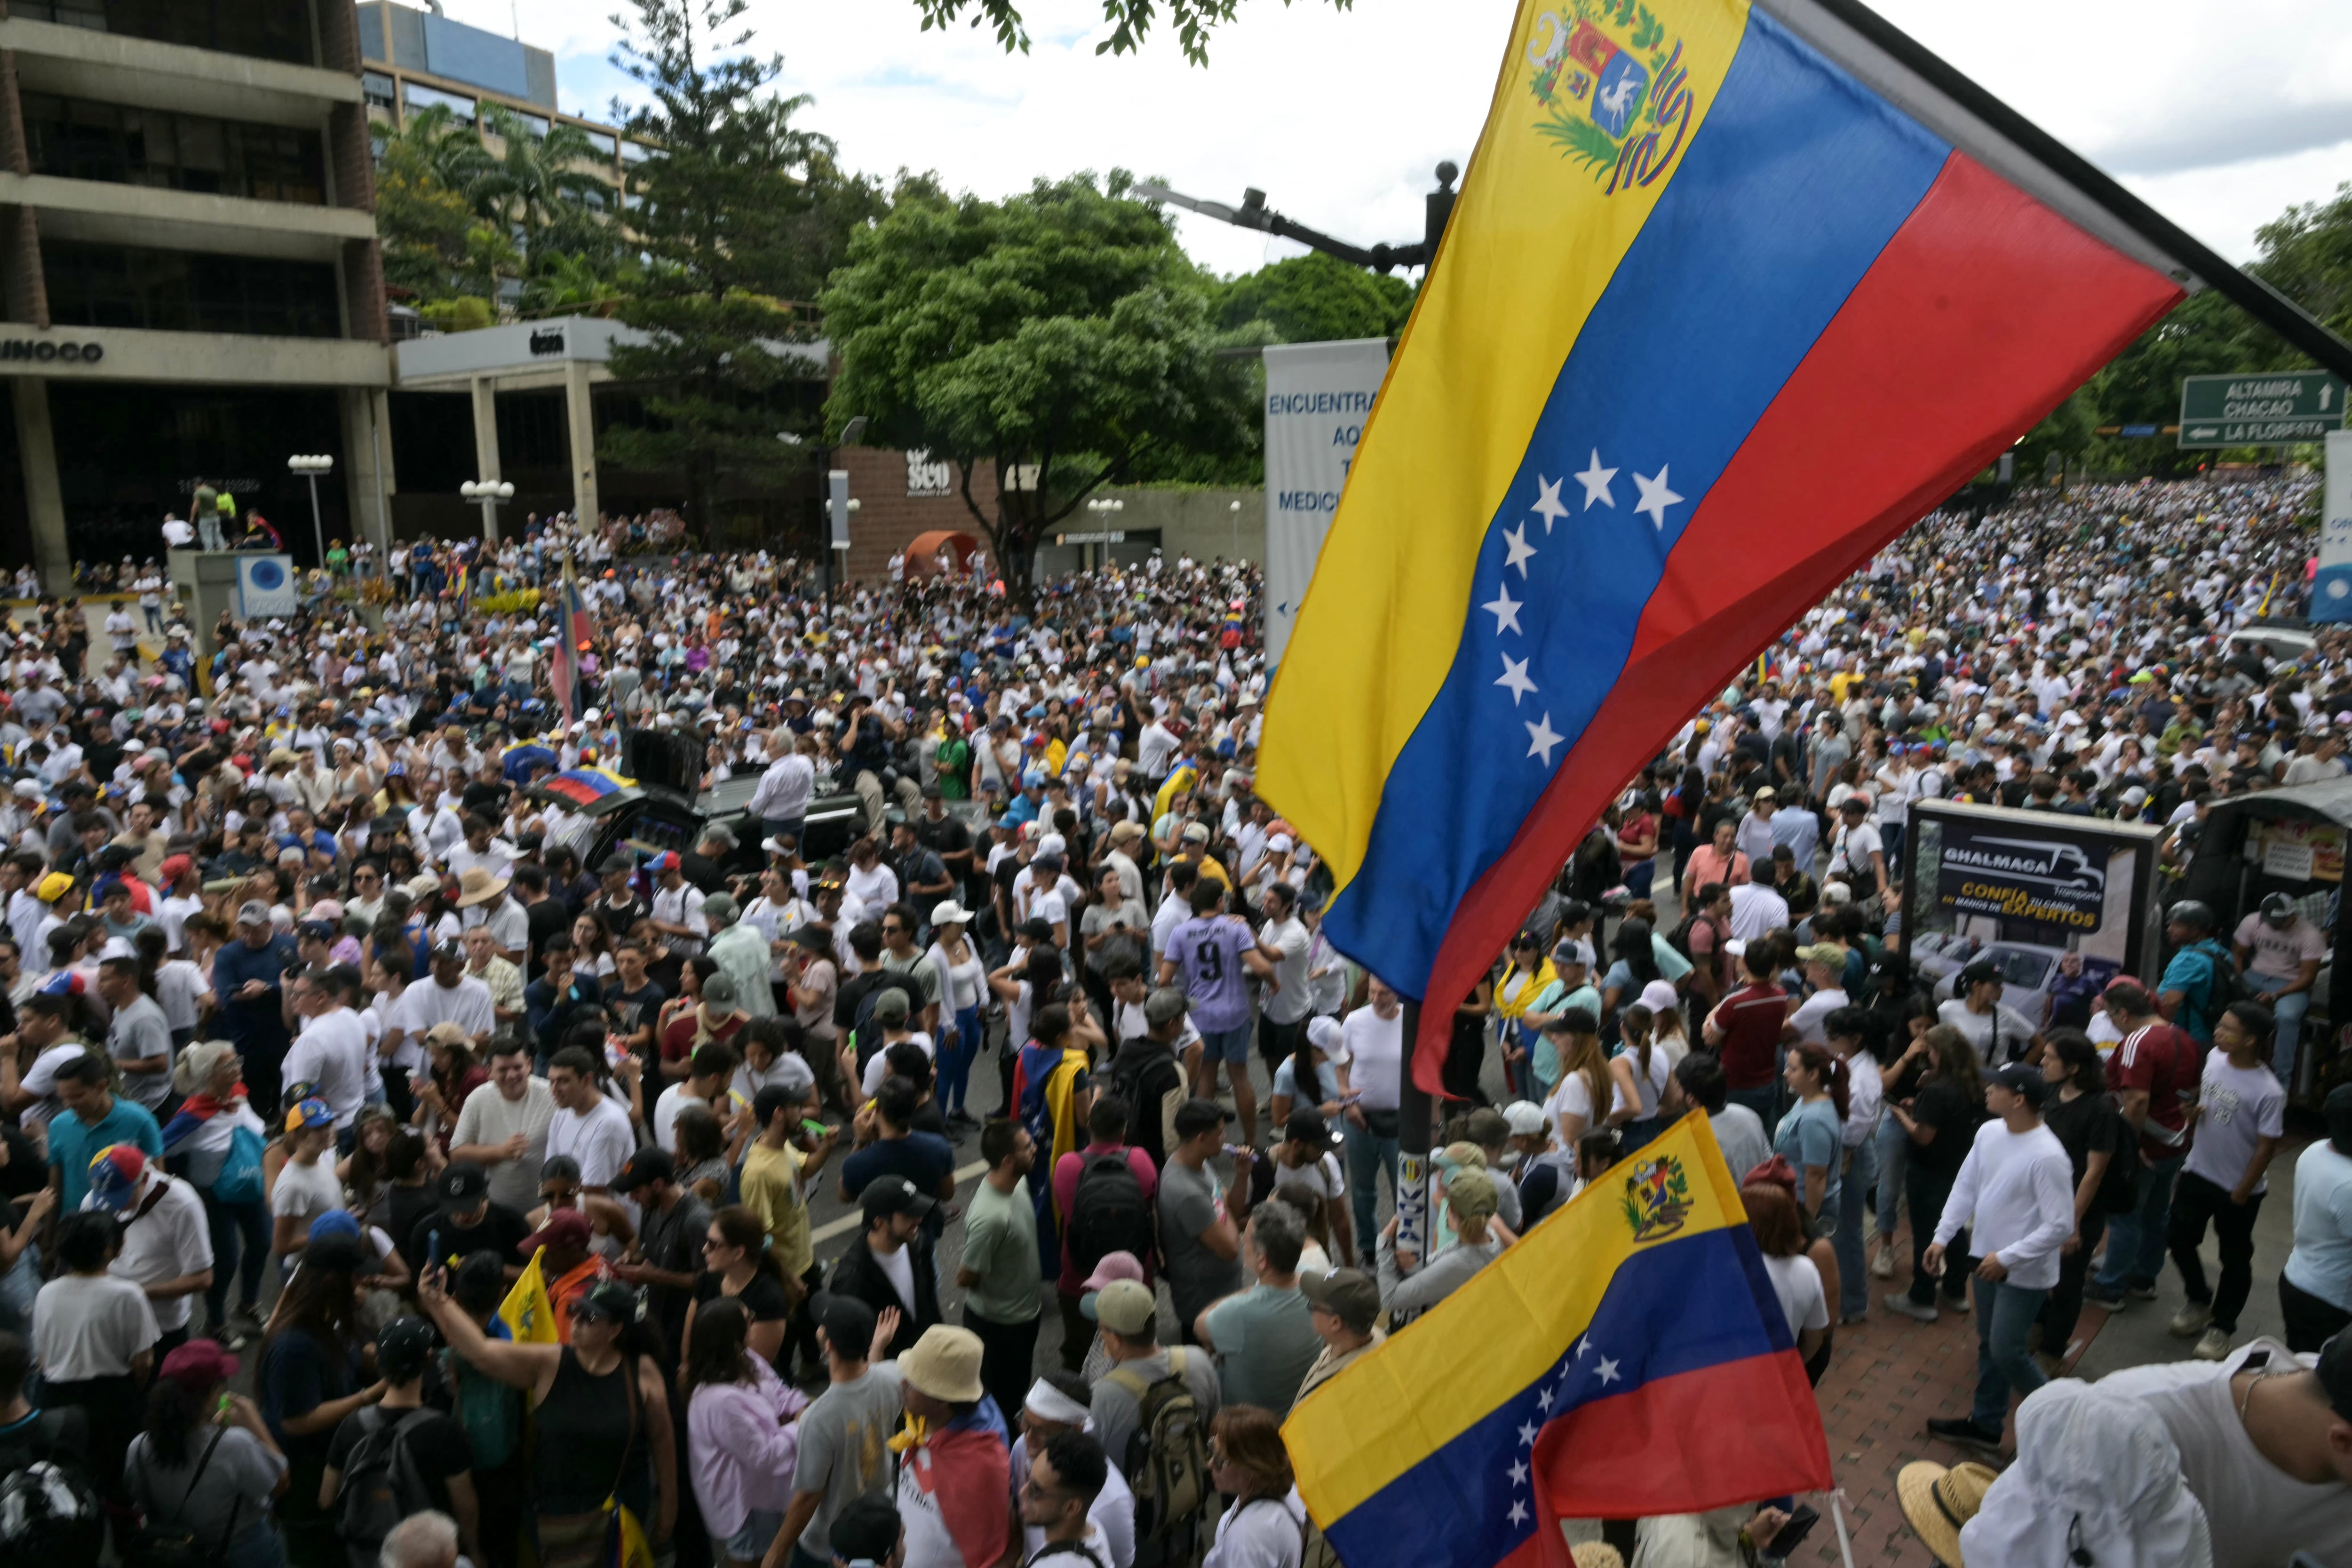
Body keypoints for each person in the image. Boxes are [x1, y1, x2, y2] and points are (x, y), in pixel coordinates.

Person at [416, 1271, 677, 1568]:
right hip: (551, 1511)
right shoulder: (550, 1363)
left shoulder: (641, 1371)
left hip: (619, 1508)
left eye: (590, 1318)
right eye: (575, 1311)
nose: (576, 1322)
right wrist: (438, 1302)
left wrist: (669, 1506)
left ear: (616, 1329)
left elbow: (662, 1439)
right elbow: (483, 1353)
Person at [1921, 1062, 2075, 1454]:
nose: (1987, 1089)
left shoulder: (2049, 1156)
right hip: (1984, 1263)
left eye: (1996, 1085)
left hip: (2021, 1273)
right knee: (1990, 1344)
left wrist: (2007, 1257)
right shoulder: (1989, 1131)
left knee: (2008, 1350)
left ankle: (2067, 1421)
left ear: (2019, 1099)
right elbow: (1966, 1185)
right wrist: (1942, 1237)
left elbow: (2060, 1225)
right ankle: (1986, 1425)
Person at [2168, 1001, 2286, 1362]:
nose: (2218, 1033)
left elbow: (2267, 1147)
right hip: (2197, 1170)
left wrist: (2241, 1192)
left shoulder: (2269, 1091)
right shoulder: (2215, 1060)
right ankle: (2199, 1298)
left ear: (2251, 1040)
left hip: (2238, 1189)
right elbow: (2208, 1107)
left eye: (2228, 1029)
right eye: (2219, 1025)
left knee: (2234, 1258)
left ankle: (2223, 1326)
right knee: (2177, 1238)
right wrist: (2191, 1112)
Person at [320, 1316, 481, 1568]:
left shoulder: (351, 1426)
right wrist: (474, 1550)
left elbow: (326, 1498)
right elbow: (465, 1507)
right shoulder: (443, 1431)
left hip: (363, 1554)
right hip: (424, 1558)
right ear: (427, 1361)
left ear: (378, 1364)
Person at [124, 1338, 291, 1568]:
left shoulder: (139, 1447)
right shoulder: (235, 1445)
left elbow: (141, 1500)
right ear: (214, 1392)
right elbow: (280, 1483)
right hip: (241, 1550)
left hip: (178, 1552)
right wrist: (255, 1424)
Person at [2087, 980, 2201, 1313]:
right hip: (2174, 1144)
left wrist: (2129, 1145)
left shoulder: (2138, 1041)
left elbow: (2136, 1100)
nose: (2110, 1022)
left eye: (2110, 1016)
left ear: (2124, 1013)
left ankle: (2110, 1287)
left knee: (2125, 1217)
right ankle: (2143, 1277)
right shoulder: (2184, 1038)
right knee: (2156, 1214)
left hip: (2145, 1145)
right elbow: (2191, 1093)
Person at [766, 1294, 903, 1568]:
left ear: (828, 1346)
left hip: (828, 1544)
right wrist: (877, 1347)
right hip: (877, 1520)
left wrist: (777, 1552)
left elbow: (808, 1497)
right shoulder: (894, 1375)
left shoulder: (818, 1419)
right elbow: (874, 1377)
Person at [32, 1210, 156, 1505]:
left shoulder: (47, 1293)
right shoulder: (128, 1294)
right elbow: (144, 1362)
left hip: (56, 1399)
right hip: (111, 1400)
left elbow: (42, 1358)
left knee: (66, 1482)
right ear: (109, 1250)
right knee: (117, 1481)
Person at [684, 1296, 810, 1568]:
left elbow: (778, 1389)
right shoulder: (721, 1401)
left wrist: (800, 1406)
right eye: (749, 1320)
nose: (754, 1321)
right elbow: (763, 1455)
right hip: (747, 1500)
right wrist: (800, 1425)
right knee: (755, 1557)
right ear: (733, 1337)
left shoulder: (745, 1357)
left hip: (766, 1486)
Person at [1158, 883, 1274, 1146]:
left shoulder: (1180, 932)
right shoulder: (1236, 928)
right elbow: (1260, 966)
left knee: (1205, 1076)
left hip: (1201, 1015)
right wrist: (1274, 983)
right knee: (1240, 1076)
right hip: (1235, 1012)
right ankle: (1250, 1141)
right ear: (1220, 903)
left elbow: (1164, 978)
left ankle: (1202, 1141)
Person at [2034, 1030, 2124, 1366]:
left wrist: (2072, 1223)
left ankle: (2053, 1350)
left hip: (2076, 1212)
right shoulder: (2052, 1092)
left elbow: (2095, 1171)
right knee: (2038, 1271)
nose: (2042, 1062)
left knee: (2067, 1283)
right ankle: (2039, 1327)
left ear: (2073, 1067)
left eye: (2050, 1057)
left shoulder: (2100, 1110)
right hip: (2044, 1204)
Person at [1883, 1026, 1984, 1324]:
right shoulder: (1973, 1083)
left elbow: (1923, 1135)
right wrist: (1921, 1105)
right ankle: (1955, 1290)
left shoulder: (1937, 1090)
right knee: (1952, 1230)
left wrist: (1902, 1116)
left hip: (1928, 1172)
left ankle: (1922, 1296)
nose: (1928, 1057)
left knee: (1927, 1233)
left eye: (1932, 1052)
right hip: (1957, 1168)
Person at [892, 1324, 1012, 1568]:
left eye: (915, 1383)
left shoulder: (982, 1466)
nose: (903, 1384)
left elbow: (992, 1556)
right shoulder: (924, 1415)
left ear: (942, 1399)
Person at [84, 1143, 212, 1359]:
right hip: (111, 1318)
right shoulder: (94, 1201)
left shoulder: (182, 1204)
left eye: (120, 1198)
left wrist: (137, 1293)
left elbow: (202, 1279)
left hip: (162, 1326)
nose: (113, 1208)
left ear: (144, 1179)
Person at [1196, 1202, 1320, 1419]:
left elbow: (1200, 1326)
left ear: (1262, 1261)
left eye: (1247, 1237)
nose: (1243, 1238)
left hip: (1250, 1427)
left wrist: (1246, 1293)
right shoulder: (1313, 1280)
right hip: (1301, 1412)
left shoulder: (1238, 1312)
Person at [960, 1118, 1043, 1423]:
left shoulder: (1018, 1182)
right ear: (1008, 1160)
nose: (1035, 1148)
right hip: (999, 1328)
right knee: (1000, 1403)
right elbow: (965, 1276)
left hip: (1024, 1318)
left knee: (1017, 1389)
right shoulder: (989, 1217)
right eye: (1027, 1147)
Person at [1012, 1376, 1134, 1567]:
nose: (1028, 1438)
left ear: (1076, 1429)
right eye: (1024, 1424)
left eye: (1041, 1431)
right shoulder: (1025, 1447)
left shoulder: (1114, 1501)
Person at [1160, 1099, 1251, 1343]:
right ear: (1201, 1138)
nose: (1225, 1137)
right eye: (1220, 1132)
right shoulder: (1186, 1192)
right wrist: (1229, 1215)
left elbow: (1230, 1206)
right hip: (1204, 1307)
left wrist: (1242, 1175)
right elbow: (1231, 1249)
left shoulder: (1201, 1164)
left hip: (1222, 1294)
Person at [827, 1175, 941, 1359]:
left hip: (927, 1358)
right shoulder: (851, 1282)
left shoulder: (918, 1244)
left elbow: (930, 1304)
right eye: (909, 1214)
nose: (919, 1220)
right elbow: (853, 1353)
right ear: (879, 1221)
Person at [448, 1036, 556, 1215]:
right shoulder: (478, 1100)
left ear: (529, 1065)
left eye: (517, 1067)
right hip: (497, 1210)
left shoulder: (551, 1095)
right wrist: (502, 1152)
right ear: (489, 1072)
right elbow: (457, 1154)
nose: (512, 1075)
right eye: (503, 1070)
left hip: (545, 1209)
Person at [1378, 1168, 1507, 1317]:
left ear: (1451, 1209)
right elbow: (1444, 1263)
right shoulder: (1489, 1235)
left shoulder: (1462, 1262)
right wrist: (1419, 1263)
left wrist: (1384, 1245)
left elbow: (1390, 1298)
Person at [2281, 1082, 2352, 1351]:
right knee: (2319, 1383)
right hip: (2329, 1301)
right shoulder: (2348, 1186)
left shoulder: (2316, 1150)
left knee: (2297, 1365)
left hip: (2296, 1278)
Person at [2233, 891, 2324, 1094]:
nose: (2274, 926)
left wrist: (2276, 995)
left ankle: (2280, 1082)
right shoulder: (2253, 921)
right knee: (2231, 1006)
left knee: (2287, 1017)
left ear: (2292, 915)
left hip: (2291, 982)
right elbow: (2238, 954)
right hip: (2256, 975)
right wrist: (2239, 983)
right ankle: (2229, 1062)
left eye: (2280, 921)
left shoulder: (2310, 934)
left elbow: (2308, 977)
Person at [1742, 1180, 1830, 1384]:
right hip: (1779, 1380)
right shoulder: (1807, 1269)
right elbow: (1816, 1339)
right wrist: (1790, 1367)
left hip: (1740, 1383)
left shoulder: (1740, 1270)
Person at [1202, 1405, 1307, 1568]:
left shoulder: (1248, 1538)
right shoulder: (1286, 1495)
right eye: (1211, 1452)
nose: (1210, 1465)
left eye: (1220, 1460)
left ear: (1251, 1468)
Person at [1018, 1425, 1117, 1568]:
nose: (1023, 1492)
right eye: (1029, 1479)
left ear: (1072, 1508)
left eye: (1036, 1490)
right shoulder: (1093, 1527)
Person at [1293, 1267, 1383, 1404]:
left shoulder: (1337, 1389)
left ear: (1335, 1323)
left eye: (1313, 1306)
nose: (1311, 1310)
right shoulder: (1373, 1335)